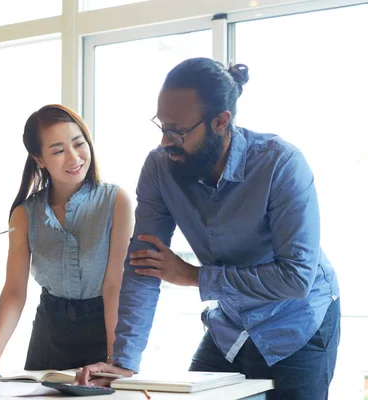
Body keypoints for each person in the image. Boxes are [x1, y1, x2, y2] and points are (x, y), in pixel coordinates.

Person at [77, 58, 339, 400]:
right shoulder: (160, 167)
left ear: (220, 122)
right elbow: (144, 265)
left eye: (178, 131)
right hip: (231, 325)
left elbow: (296, 278)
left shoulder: (281, 164)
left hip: (297, 322)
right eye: (162, 126)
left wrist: (195, 277)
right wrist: (124, 361)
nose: (166, 140)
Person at [0, 104, 133, 383]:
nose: (73, 157)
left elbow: (114, 285)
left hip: (103, 331)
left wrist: (112, 359)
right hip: (49, 335)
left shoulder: (116, 201)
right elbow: (14, 290)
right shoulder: (24, 213)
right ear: (39, 159)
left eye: (78, 144)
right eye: (58, 151)